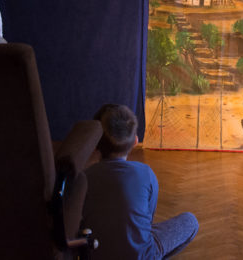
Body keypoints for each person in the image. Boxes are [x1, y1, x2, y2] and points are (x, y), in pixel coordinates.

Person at [83, 104, 198, 259]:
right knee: (190, 221)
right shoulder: (145, 173)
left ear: (95, 144)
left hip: (96, 253)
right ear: (135, 141)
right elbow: (148, 220)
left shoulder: (84, 177)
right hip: (141, 255)